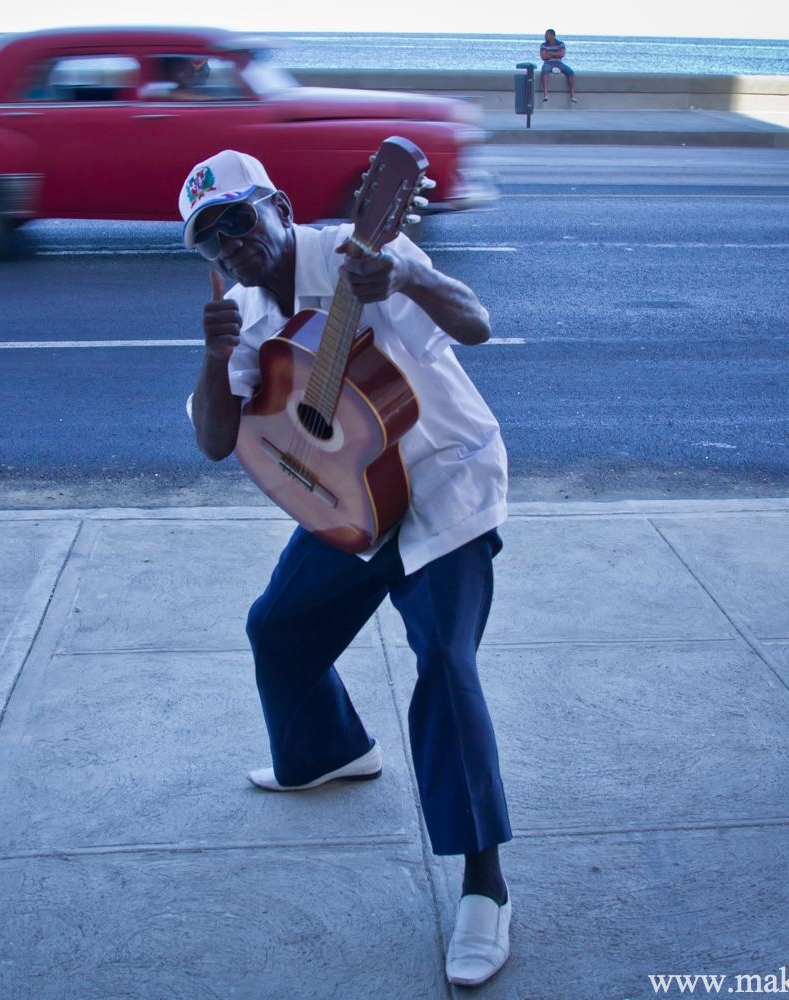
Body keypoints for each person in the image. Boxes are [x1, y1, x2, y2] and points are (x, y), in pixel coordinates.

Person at [182, 149, 514, 988]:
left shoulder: (358, 252)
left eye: (238, 219)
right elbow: (218, 442)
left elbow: (475, 322)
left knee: (443, 659)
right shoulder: (247, 312)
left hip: (441, 487)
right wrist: (213, 358)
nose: (230, 244)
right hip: (351, 499)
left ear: (279, 205)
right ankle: (329, 749)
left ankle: (485, 885)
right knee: (277, 629)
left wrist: (401, 277)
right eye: (209, 239)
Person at [539, 29, 576, 102]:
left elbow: (562, 54)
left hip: (558, 63)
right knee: (544, 71)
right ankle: (545, 94)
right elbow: (543, 57)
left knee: (570, 72)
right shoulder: (543, 45)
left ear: (552, 35)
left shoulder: (560, 43)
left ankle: (572, 95)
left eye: (547, 34)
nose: (545, 36)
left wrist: (549, 53)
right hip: (548, 63)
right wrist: (556, 53)